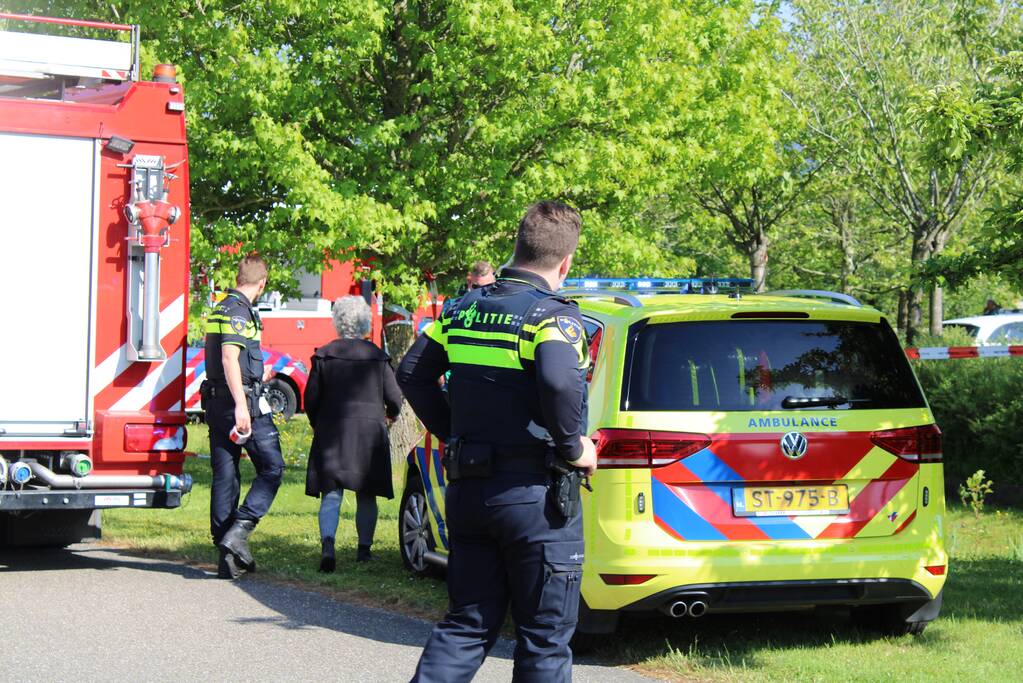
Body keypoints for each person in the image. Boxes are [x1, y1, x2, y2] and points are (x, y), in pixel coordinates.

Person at [398, 200, 599, 682]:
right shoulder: (552, 318)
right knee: (544, 641)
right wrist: (575, 447)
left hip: (471, 491)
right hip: (536, 499)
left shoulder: (461, 310)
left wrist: (453, 433)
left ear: (517, 245)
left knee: (466, 626)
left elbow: (412, 373)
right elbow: (558, 380)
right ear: (565, 263)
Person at [202, 253, 285, 579]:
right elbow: (229, 357)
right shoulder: (239, 311)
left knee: (226, 475)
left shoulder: (219, 307)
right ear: (262, 283)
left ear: (238, 277)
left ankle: (227, 556)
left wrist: (256, 375)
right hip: (241, 405)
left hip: (216, 402)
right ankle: (240, 530)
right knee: (272, 467)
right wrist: (241, 402)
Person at [304, 295, 403, 570]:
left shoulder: (324, 355)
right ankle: (364, 550)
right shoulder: (377, 356)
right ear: (365, 323)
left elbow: (310, 399)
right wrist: (391, 416)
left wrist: (316, 422)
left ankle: (328, 545)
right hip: (369, 433)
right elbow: (395, 398)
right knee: (367, 492)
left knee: (331, 491)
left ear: (338, 322)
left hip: (332, 431)